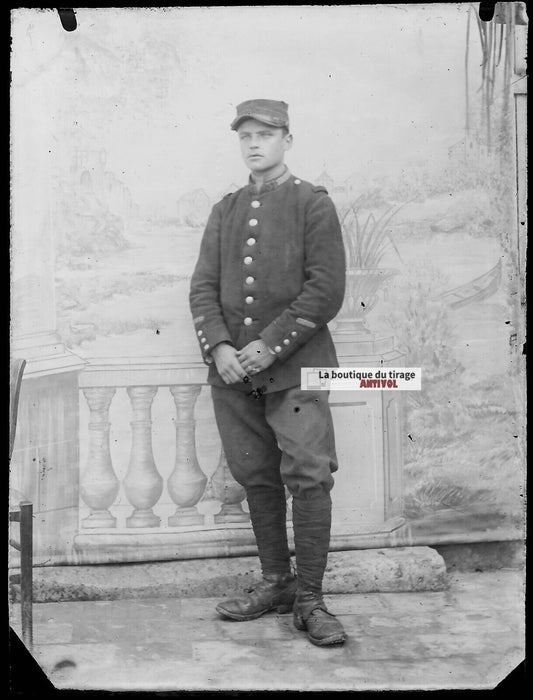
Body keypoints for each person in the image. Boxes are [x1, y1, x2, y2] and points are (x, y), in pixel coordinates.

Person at [189, 99, 347, 646]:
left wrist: (270, 344)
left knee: (308, 473)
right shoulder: (225, 210)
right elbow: (203, 289)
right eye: (245, 136)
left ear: (287, 139)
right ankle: (277, 583)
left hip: (299, 369)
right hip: (235, 374)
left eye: (266, 134)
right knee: (255, 474)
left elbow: (325, 290)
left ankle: (311, 599)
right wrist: (221, 348)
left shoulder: (313, 204)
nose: (254, 143)